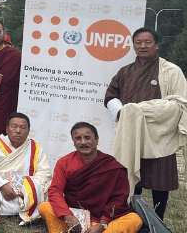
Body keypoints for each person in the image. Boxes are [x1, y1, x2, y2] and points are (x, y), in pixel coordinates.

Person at [106, 27, 186, 220]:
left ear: (156, 45)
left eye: (147, 42)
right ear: (133, 46)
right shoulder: (125, 72)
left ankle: (158, 219)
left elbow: (180, 103)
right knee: (132, 175)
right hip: (132, 133)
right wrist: (125, 113)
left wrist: (146, 111)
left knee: (160, 179)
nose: (143, 46)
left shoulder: (171, 71)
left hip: (160, 134)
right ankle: (131, 217)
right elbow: (110, 96)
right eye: (138, 42)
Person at [39, 122, 142, 233]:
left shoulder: (111, 166)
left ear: (96, 140)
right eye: (78, 138)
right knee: (45, 207)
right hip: (75, 217)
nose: (83, 142)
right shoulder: (64, 162)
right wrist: (67, 215)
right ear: (73, 142)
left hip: (104, 220)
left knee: (134, 220)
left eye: (87, 137)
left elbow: (118, 198)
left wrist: (102, 224)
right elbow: (55, 191)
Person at [0, 113, 51, 223]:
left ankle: (4, 208)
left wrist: (28, 189)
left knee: (51, 187)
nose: (18, 131)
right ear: (7, 129)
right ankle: (11, 207)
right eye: (14, 127)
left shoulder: (35, 148)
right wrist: (3, 186)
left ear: (28, 131)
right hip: (2, 186)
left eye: (23, 127)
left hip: (26, 187)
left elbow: (44, 172)